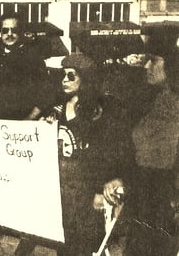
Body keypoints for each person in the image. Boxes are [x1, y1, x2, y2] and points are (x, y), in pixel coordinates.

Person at [15, 54, 134, 256]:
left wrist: (98, 190)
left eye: (72, 76)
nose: (64, 80)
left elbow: (104, 154)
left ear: (86, 79)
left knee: (82, 245)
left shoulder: (97, 112)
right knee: (62, 244)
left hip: (84, 191)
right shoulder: (57, 108)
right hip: (60, 189)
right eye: (63, 75)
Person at [0, 12, 56, 240]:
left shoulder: (33, 58)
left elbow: (46, 94)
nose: (9, 34)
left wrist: (28, 121)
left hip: (23, 130)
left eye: (14, 30)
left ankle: (26, 228)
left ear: (21, 33)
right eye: (5, 30)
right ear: (0, 33)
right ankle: (0, 224)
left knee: (23, 181)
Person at [123, 32, 179, 256]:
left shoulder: (174, 104)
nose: (146, 66)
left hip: (165, 199)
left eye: (153, 60)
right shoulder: (154, 98)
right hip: (143, 194)